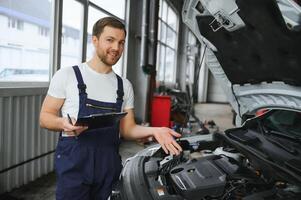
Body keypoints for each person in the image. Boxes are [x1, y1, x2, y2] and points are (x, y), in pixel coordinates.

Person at [39, 17, 182, 200]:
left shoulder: (124, 86)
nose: (116, 48)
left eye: (121, 42)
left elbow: (128, 129)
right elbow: (45, 117)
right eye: (110, 40)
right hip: (74, 164)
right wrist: (63, 123)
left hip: (108, 167)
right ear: (95, 40)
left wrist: (156, 130)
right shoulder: (68, 75)